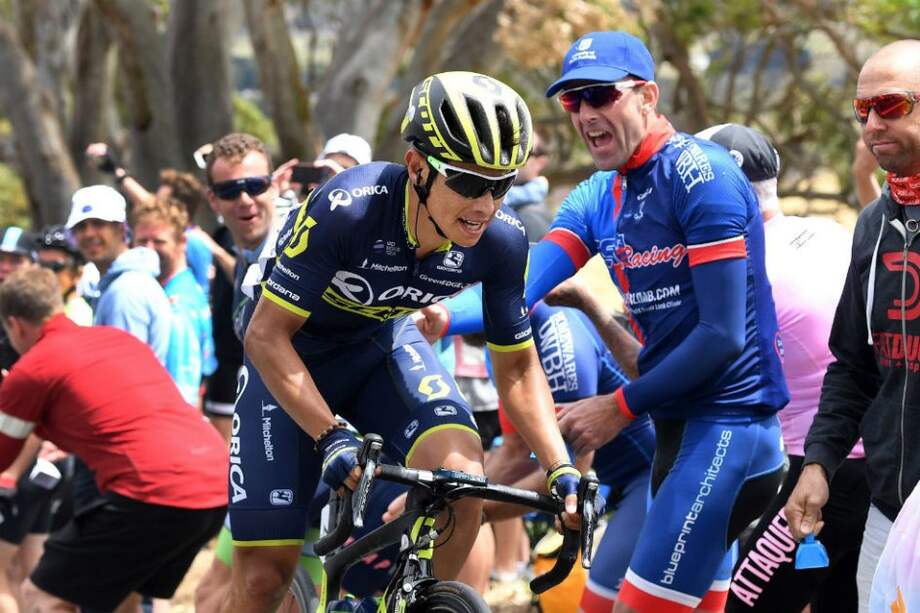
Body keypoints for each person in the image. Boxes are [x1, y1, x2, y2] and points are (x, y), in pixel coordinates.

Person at [420, 32, 789, 613]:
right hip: (679, 437)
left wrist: (618, 408)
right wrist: (440, 314)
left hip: (729, 434)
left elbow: (722, 336)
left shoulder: (702, 175)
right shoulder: (598, 195)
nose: (586, 114)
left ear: (646, 95)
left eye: (600, 96)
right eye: (573, 101)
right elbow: (518, 291)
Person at [225, 71, 581, 613]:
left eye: (501, 184)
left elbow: (516, 369)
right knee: (262, 581)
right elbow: (265, 334)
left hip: (381, 346)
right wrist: (330, 435)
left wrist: (561, 467)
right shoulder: (350, 208)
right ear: (417, 168)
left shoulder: (502, 241)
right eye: (466, 182)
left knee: (464, 486)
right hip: (292, 357)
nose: (485, 203)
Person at [692, 124, 870, 612]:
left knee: (741, 608)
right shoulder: (830, 231)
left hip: (822, 473)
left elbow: (685, 383)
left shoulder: (746, 270)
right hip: (871, 461)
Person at [0, 267, 227, 613]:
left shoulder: (31, 369)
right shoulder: (116, 339)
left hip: (154, 491)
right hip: (215, 482)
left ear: (15, 325)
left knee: (42, 596)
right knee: (122, 599)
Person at [783, 39, 920, 613]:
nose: (870, 123)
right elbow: (855, 366)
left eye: (888, 105)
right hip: (888, 509)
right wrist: (819, 463)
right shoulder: (873, 224)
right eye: (861, 109)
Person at [65, 184, 172, 364]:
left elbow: (127, 372)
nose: (89, 233)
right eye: (81, 227)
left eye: (98, 224)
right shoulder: (120, 284)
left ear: (121, 229)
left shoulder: (126, 291)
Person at [132, 196, 217, 406]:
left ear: (182, 242)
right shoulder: (172, 288)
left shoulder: (178, 305)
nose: (149, 249)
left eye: (159, 241)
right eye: (142, 241)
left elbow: (182, 392)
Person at [36, 226, 92, 327]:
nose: (47, 274)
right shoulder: (42, 311)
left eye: (56, 267)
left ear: (78, 274)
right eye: (42, 266)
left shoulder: (78, 317)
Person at [503, 130, 553, 241]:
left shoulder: (532, 218)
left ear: (540, 162)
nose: (512, 156)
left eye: (522, 151)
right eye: (510, 147)